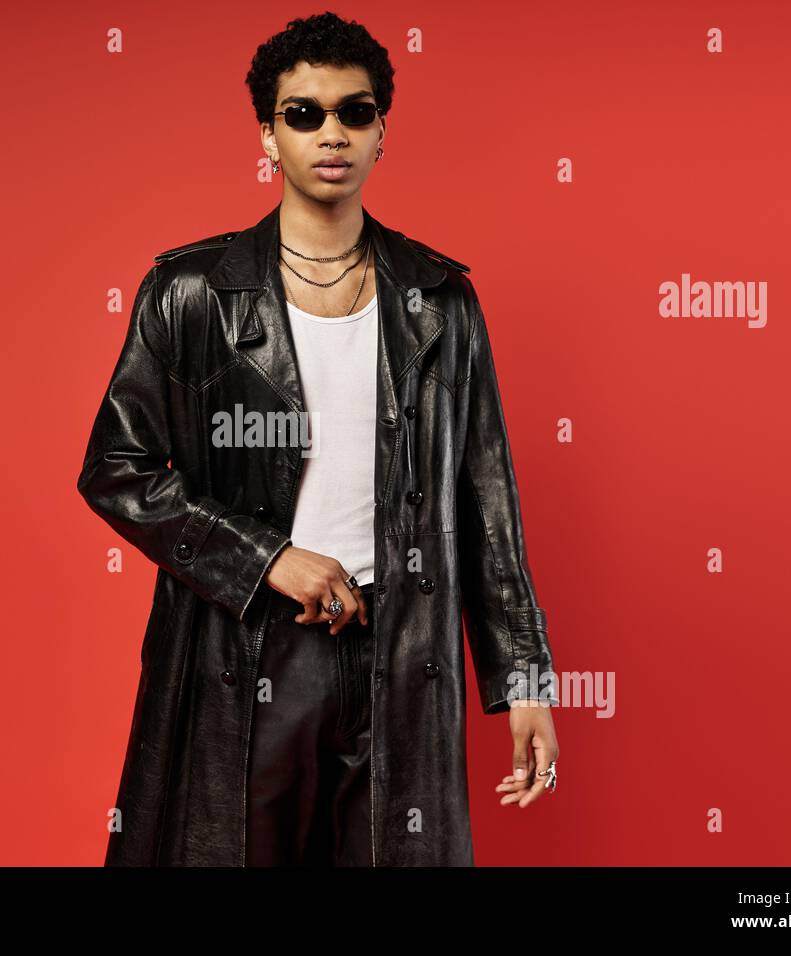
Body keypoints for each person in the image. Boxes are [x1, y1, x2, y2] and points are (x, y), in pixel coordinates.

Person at [77, 11, 560, 867]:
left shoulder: (440, 301)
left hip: (402, 650)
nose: (330, 133)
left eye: (354, 112)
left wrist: (522, 677)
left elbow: (484, 495)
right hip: (250, 643)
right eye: (304, 114)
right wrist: (267, 558)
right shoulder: (193, 293)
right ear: (267, 133)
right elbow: (115, 469)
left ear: (382, 132)